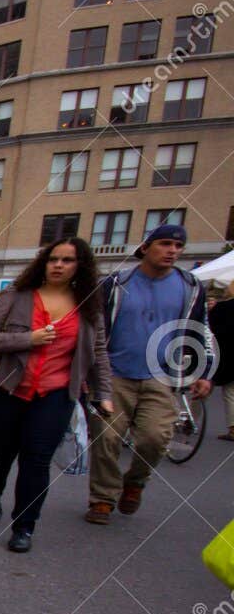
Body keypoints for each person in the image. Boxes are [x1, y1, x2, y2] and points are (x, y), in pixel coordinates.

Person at [0, 239, 113, 552]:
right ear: (43, 263)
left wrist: (104, 393)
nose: (58, 265)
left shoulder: (88, 303)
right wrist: (28, 338)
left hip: (56, 393)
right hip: (8, 389)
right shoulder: (17, 295)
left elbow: (98, 351)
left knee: (37, 460)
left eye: (68, 260)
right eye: (53, 259)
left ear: (80, 266)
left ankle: (24, 526)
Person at [85, 223, 211, 525]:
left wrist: (203, 371)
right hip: (115, 373)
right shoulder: (116, 283)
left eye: (178, 246)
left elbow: (199, 330)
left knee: (155, 438)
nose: (172, 251)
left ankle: (135, 482)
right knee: (106, 437)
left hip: (163, 375)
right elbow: (94, 327)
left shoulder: (190, 286)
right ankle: (102, 498)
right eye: (165, 244)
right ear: (145, 247)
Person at [210, 295, 234, 442]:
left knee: (229, 391)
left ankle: (233, 428)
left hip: (224, 356)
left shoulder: (223, 308)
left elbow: (212, 328)